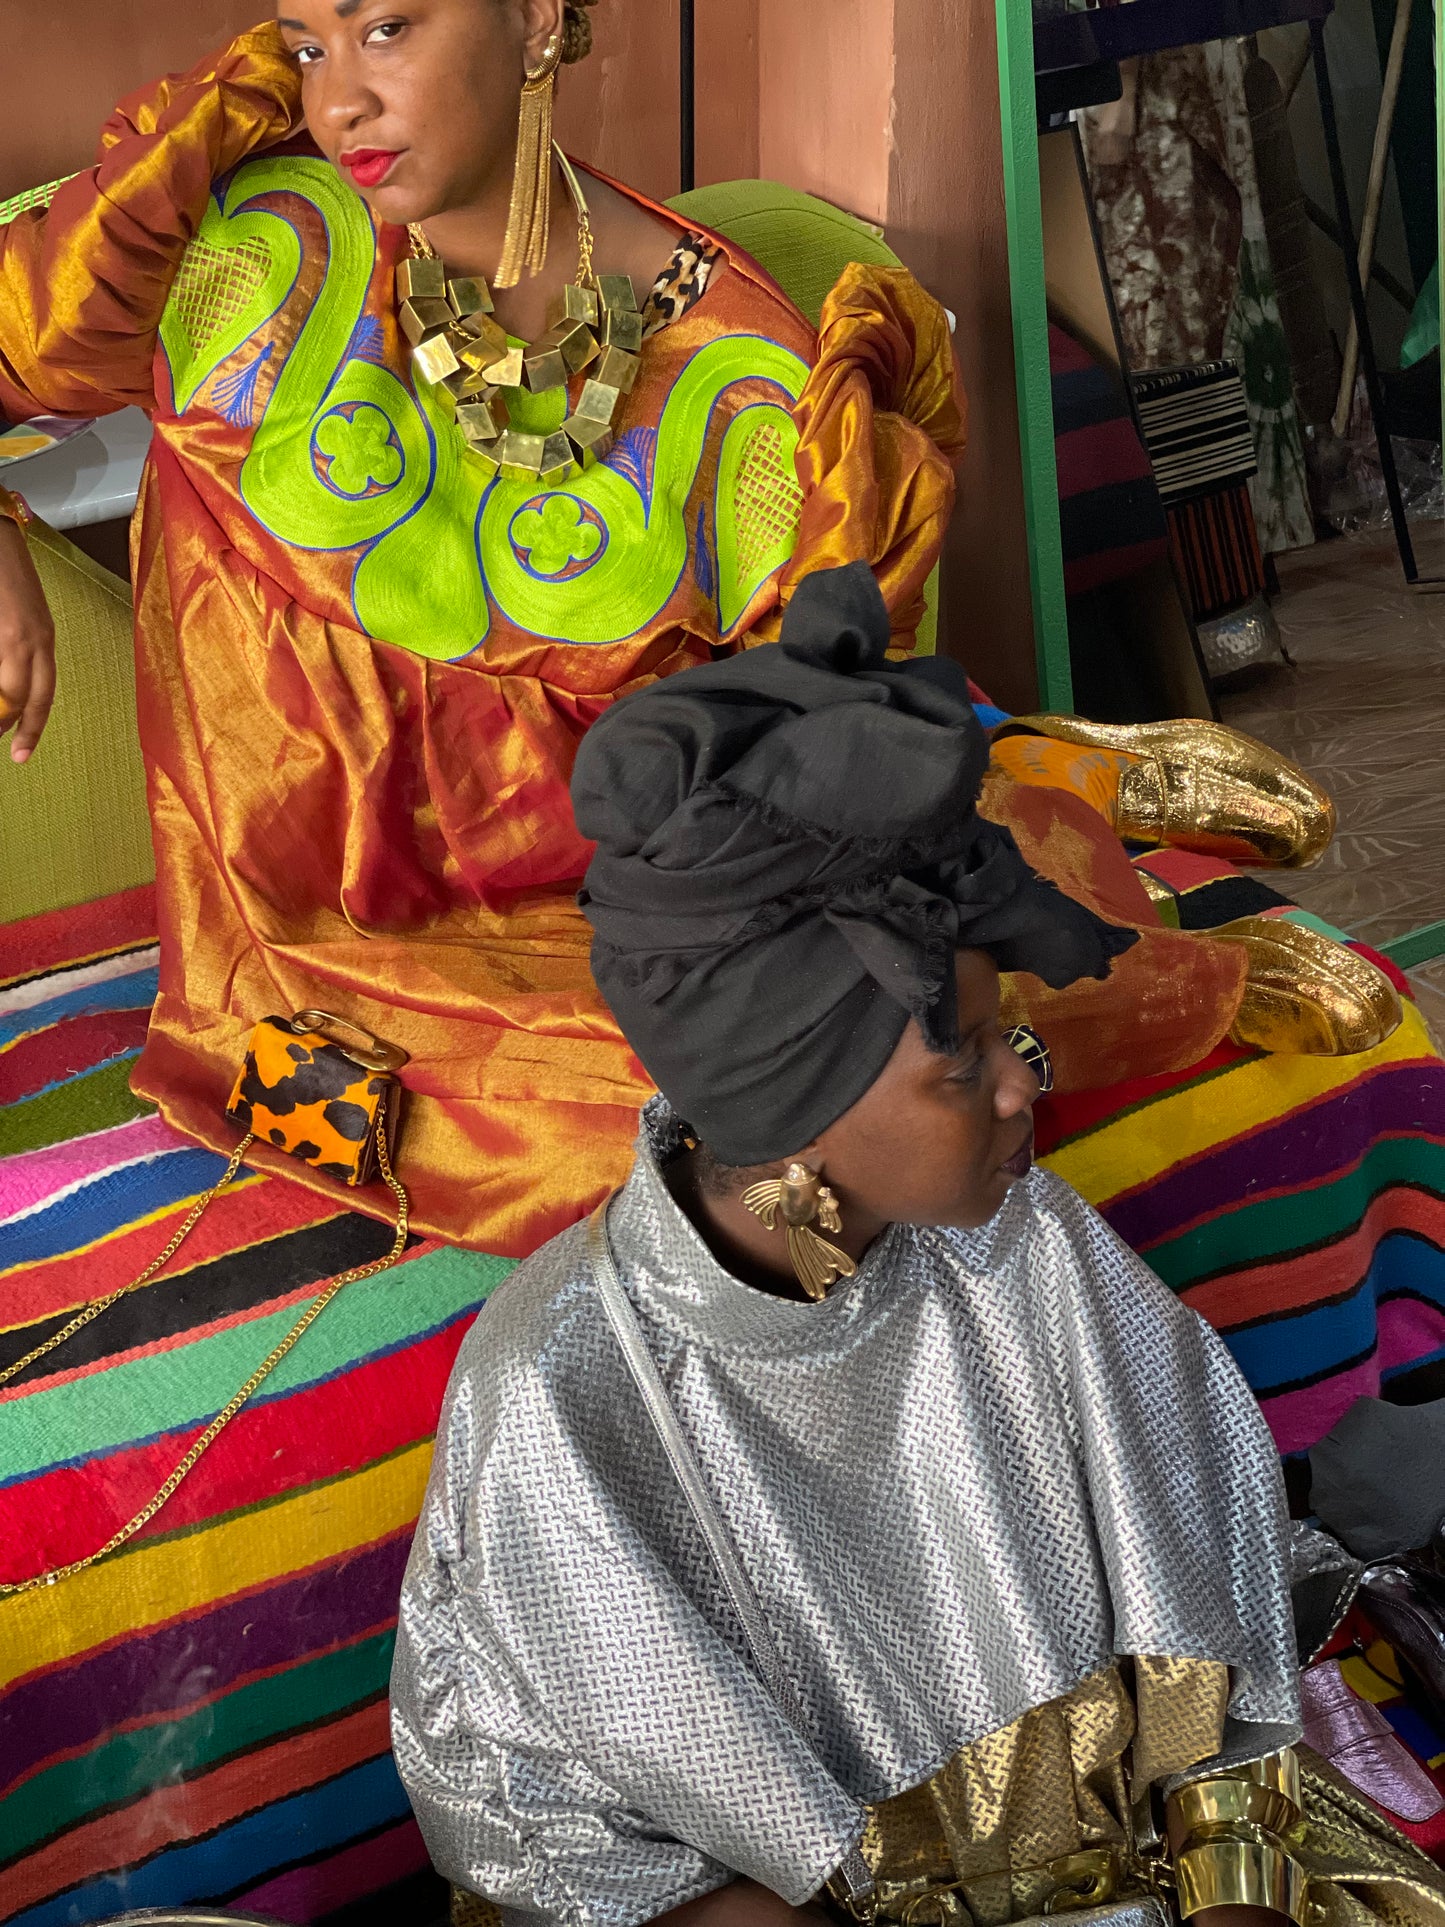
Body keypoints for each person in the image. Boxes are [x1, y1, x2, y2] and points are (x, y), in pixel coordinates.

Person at [0, 0, 1403, 1257]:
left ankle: (1043, 776)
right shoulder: (241, 243)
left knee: (873, 1034)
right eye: (307, 43)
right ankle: (1063, 782)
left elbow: (793, 741)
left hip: (639, 887)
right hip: (303, 959)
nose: (337, 100)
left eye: (387, 30)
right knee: (684, 1127)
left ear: (539, 19)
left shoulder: (732, 358)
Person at [392, 566, 1444, 1927]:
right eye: (955, 1054)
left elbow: (1207, 1630)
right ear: (793, 1110)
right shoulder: (561, 1391)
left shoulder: (1028, 1248)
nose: (1020, 1086)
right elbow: (559, 1834)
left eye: (1005, 1029)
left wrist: (1227, 1895)